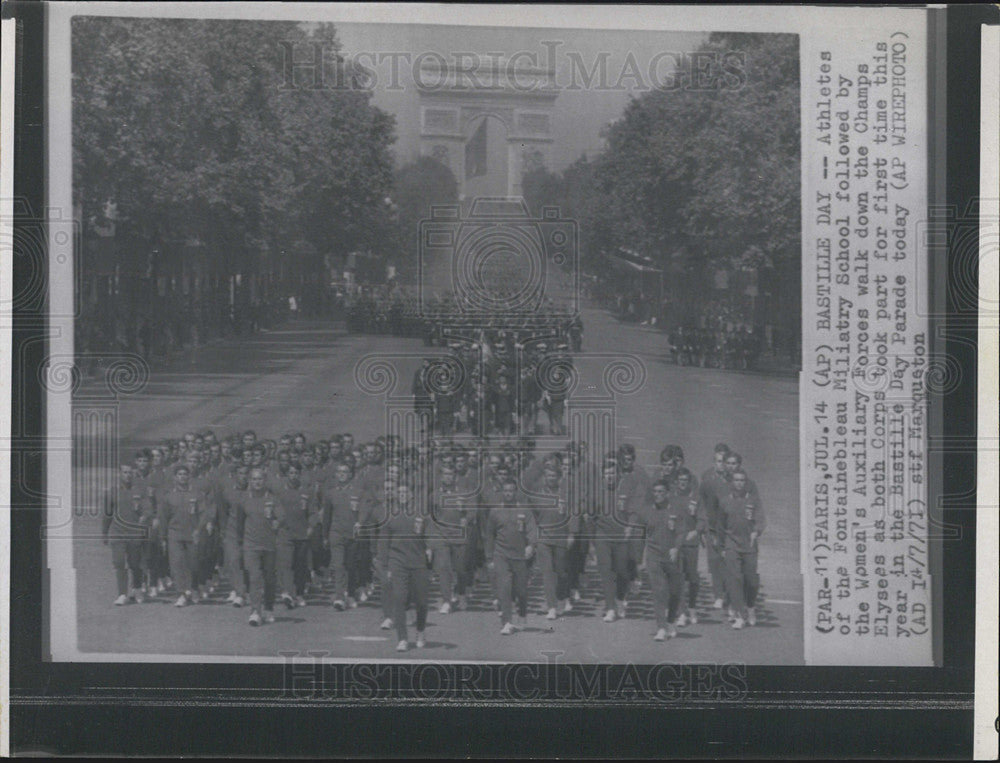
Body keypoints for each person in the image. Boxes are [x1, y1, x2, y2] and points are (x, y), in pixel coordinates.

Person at [377, 482, 431, 652]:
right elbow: (383, 543)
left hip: (418, 562)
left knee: (421, 602)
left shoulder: (421, 514)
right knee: (399, 598)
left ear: (411, 495)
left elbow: (431, 535)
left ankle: (420, 631)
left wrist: (430, 548)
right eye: (398, 492)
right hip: (397, 561)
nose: (401, 495)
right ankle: (402, 638)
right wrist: (384, 566)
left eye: (404, 492)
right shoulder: (389, 515)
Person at [157, 463, 215, 607]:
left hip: (192, 534)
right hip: (174, 534)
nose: (183, 477)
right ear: (175, 477)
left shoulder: (197, 495)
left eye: (185, 474)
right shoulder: (169, 496)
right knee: (177, 563)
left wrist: (199, 528)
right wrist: (162, 537)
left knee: (193, 564)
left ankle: (193, 587)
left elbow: (204, 514)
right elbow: (163, 517)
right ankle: (181, 593)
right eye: (180, 474)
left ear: (189, 476)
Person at [485, 480, 538, 634]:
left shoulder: (525, 511)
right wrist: (489, 558)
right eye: (506, 491)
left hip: (520, 556)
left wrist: (531, 545)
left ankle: (522, 613)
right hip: (501, 555)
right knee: (504, 588)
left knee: (521, 589)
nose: (509, 494)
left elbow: (532, 529)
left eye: (511, 491)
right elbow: (489, 536)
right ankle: (507, 622)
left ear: (516, 492)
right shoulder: (495, 512)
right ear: (502, 492)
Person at [635, 480, 685, 640]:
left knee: (675, 592)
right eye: (655, 492)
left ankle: (671, 621)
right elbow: (641, 536)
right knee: (659, 591)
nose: (657, 495)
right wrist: (639, 559)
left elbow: (681, 532)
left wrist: (676, 547)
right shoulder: (646, 512)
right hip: (653, 555)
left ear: (668, 493)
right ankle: (661, 627)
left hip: (672, 556)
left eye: (661, 492)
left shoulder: (676, 511)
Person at [719, 468, 765, 629]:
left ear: (746, 483)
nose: (739, 483)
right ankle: (740, 614)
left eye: (742, 481)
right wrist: (722, 546)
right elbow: (720, 525)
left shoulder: (753, 500)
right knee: (735, 580)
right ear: (732, 482)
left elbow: (760, 520)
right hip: (732, 545)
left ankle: (751, 607)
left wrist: (756, 531)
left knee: (751, 580)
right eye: (736, 480)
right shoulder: (725, 501)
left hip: (749, 546)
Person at [589, 459, 635, 622]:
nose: (609, 477)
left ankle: (620, 600)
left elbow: (632, 513)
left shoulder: (625, 490)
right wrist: (591, 543)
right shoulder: (596, 493)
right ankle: (610, 608)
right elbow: (591, 518)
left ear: (618, 475)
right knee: (606, 572)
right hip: (603, 537)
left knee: (622, 572)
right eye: (606, 474)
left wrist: (630, 526)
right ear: (602, 476)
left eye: (612, 474)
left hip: (621, 537)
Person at [533, 463, 578, 619]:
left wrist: (572, 533)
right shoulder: (538, 494)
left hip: (561, 537)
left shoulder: (565, 494)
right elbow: (531, 516)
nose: (551, 478)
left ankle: (564, 596)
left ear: (559, 478)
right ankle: (551, 606)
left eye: (554, 476)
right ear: (545, 477)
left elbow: (573, 514)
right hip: (543, 538)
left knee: (561, 572)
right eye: (548, 476)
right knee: (547, 572)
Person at [102, 464, 150, 605]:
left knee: (135, 564)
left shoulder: (140, 491)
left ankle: (137, 588)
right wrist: (104, 533)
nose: (128, 475)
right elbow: (107, 515)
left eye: (130, 473)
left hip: (134, 534)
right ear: (120, 474)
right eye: (125, 472)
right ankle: (122, 593)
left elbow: (148, 508)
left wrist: (144, 516)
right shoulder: (112, 492)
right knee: (119, 562)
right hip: (118, 534)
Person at [273, 464, 318, 609]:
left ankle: (299, 594)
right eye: (291, 472)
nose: (293, 475)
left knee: (300, 565)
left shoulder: (307, 491)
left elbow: (313, 512)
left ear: (300, 474)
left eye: (296, 472)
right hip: (285, 533)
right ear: (287, 475)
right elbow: (275, 508)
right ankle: (287, 592)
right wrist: (278, 521)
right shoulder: (280, 491)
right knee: (285, 563)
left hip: (302, 534)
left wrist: (311, 526)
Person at [238, 468, 278, 625]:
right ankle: (255, 610)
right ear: (250, 481)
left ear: (265, 481)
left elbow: (281, 516)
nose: (257, 482)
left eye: (260, 479)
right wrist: (242, 542)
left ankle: (268, 608)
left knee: (269, 579)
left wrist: (277, 521)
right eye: (254, 479)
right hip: (251, 545)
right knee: (254, 577)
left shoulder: (273, 499)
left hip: (269, 545)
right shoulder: (243, 499)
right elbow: (239, 523)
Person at [321, 462, 363, 610]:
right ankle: (339, 596)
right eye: (339, 471)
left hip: (353, 534)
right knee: (338, 565)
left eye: (345, 471)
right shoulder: (330, 493)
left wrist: (361, 524)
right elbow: (326, 516)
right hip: (336, 533)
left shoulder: (358, 491)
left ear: (350, 474)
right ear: (335, 474)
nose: (342, 474)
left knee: (351, 566)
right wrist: (325, 535)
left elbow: (363, 512)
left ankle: (351, 594)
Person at [428, 466, 469, 613]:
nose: (448, 477)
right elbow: (431, 518)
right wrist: (430, 542)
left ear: (455, 476)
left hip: (458, 536)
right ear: (441, 477)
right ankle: (446, 600)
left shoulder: (463, 494)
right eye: (445, 474)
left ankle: (461, 593)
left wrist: (466, 518)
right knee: (444, 568)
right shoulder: (434, 495)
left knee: (460, 569)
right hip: (441, 537)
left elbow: (473, 511)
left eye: (451, 473)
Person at [669, 468, 706, 625]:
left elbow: (702, 518)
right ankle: (681, 613)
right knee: (678, 577)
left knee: (692, 577)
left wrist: (696, 531)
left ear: (690, 481)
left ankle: (692, 607)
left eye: (686, 480)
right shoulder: (670, 497)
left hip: (691, 543)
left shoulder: (696, 498)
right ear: (676, 481)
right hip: (676, 543)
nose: (683, 483)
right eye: (680, 480)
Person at [699, 443, 732, 609]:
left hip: (730, 528)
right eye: (719, 460)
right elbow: (701, 503)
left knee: (728, 560)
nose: (722, 464)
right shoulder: (707, 478)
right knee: (714, 561)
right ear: (714, 461)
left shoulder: (736, 478)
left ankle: (727, 591)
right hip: (712, 526)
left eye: (725, 460)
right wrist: (703, 528)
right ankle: (718, 594)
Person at [219, 464, 250, 607]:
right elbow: (223, 512)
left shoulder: (256, 492)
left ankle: (248, 590)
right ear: (235, 475)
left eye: (246, 474)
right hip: (232, 533)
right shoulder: (228, 492)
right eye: (241, 473)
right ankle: (240, 593)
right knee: (234, 561)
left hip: (251, 533)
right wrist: (223, 531)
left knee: (249, 564)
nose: (243, 477)